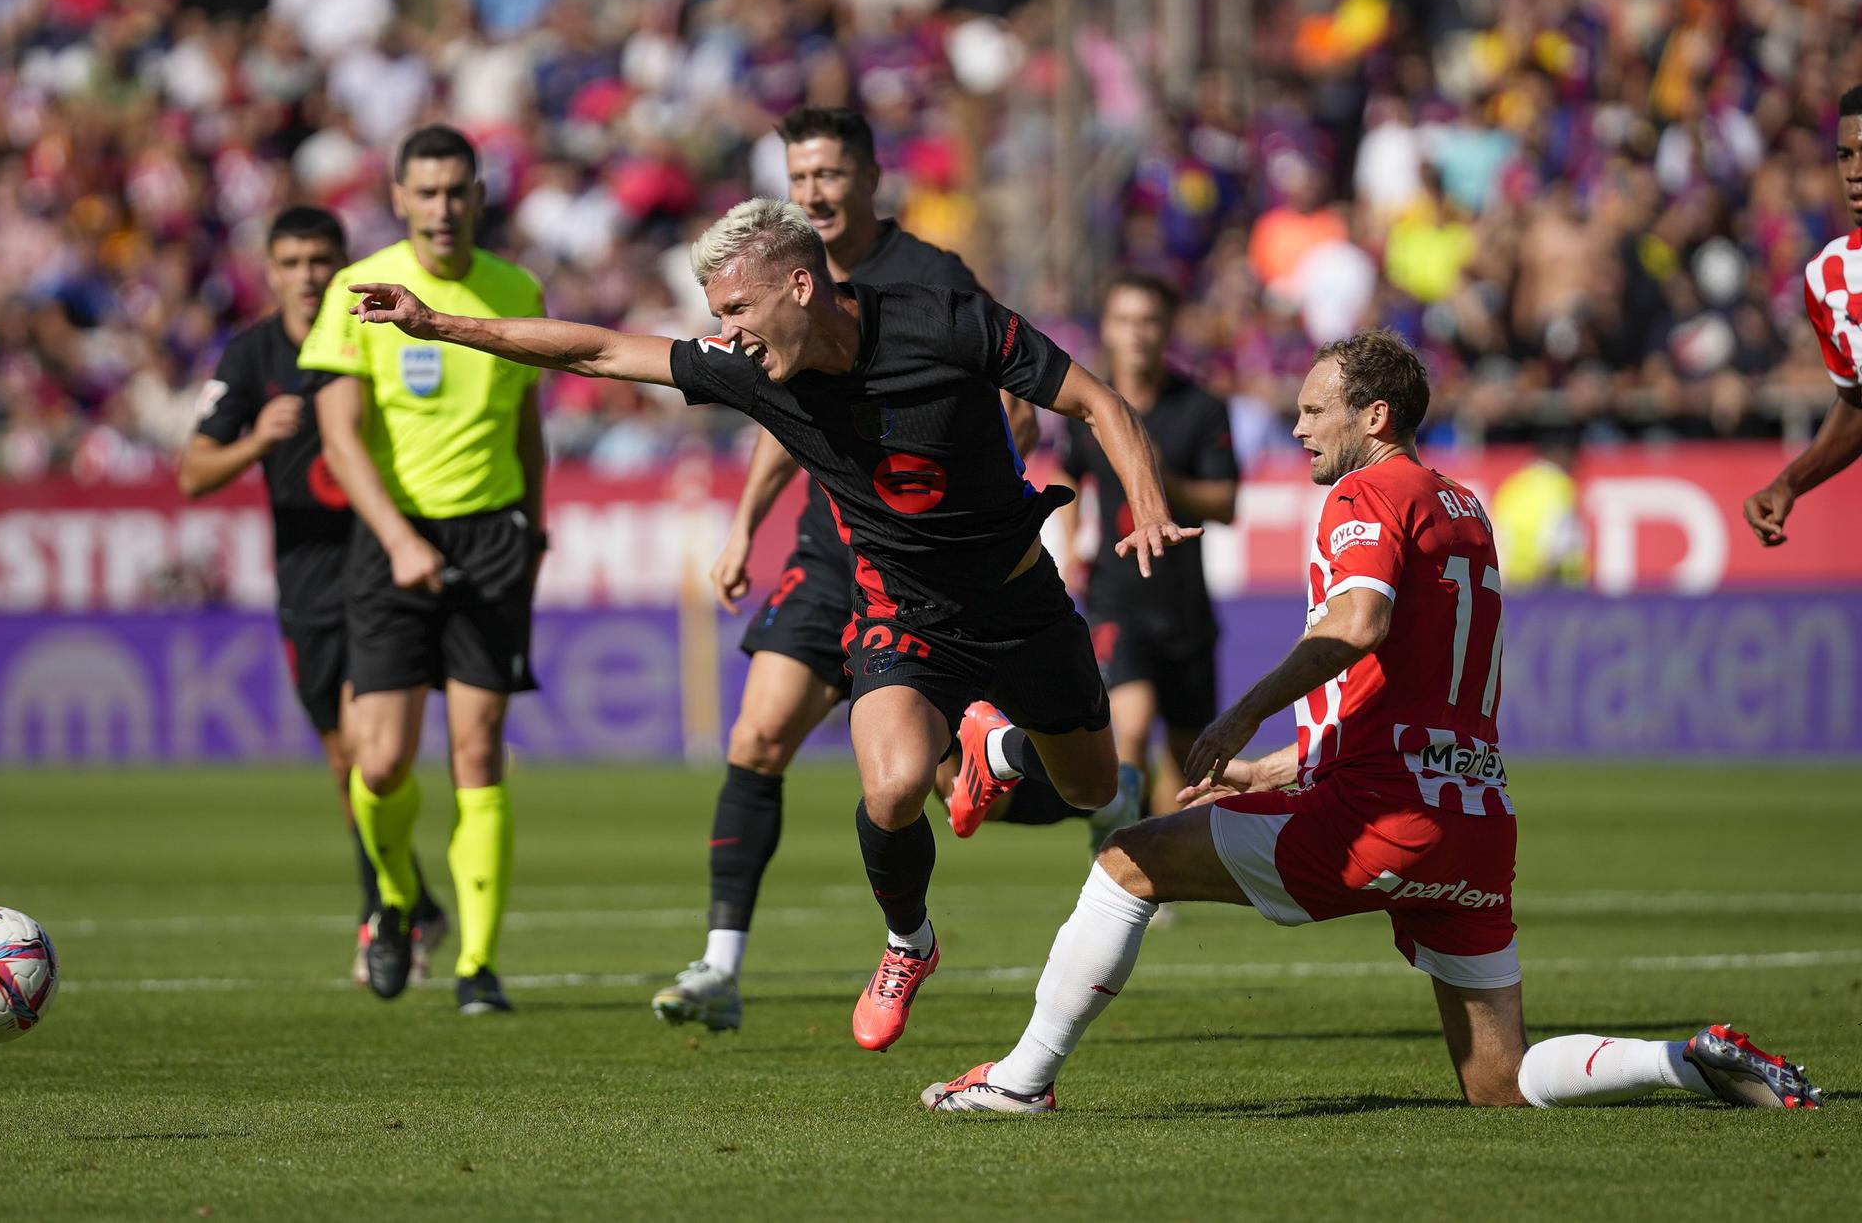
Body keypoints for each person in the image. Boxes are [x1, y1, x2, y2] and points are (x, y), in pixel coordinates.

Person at [344, 197, 1197, 1053]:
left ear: (799, 285)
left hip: (1021, 604)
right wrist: (438, 324)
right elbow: (597, 349)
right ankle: (909, 945)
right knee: (895, 784)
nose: (730, 332)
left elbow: (1095, 401)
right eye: (720, 317)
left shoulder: (945, 321)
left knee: (1094, 791)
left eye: (738, 310)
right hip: (904, 613)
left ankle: (998, 751)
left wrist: (1148, 503)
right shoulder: (748, 369)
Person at [921, 331, 1821, 1114]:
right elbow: (1403, 692)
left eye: (1316, 411)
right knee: (1498, 1081)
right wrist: (1270, 768)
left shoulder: (1366, 496)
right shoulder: (1464, 506)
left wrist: (1239, 714)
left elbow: (1358, 627)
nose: (1300, 427)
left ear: (1376, 416)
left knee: (1127, 861)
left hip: (1382, 815)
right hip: (1474, 823)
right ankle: (1683, 1060)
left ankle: (1021, 1080)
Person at [653, 105, 1082, 1035]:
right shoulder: (770, 292)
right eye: (800, 176)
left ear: (869, 177)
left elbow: (1018, 404)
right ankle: (722, 963)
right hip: (828, 547)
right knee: (761, 733)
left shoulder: (929, 282)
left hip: (929, 559)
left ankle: (1030, 759)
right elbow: (781, 411)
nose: (815, 190)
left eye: (830, 174)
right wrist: (743, 526)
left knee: (925, 781)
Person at [298, 125, 547, 1016]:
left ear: (478, 196)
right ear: (399, 199)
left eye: (458, 190)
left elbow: (527, 425)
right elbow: (338, 437)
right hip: (391, 540)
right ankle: (395, 903)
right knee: (381, 760)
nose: (443, 207)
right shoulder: (356, 290)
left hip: (491, 540)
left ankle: (480, 965)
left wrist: (537, 526)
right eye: (427, 192)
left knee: (478, 752)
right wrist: (400, 540)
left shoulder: (516, 287)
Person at [177, 205, 446, 986]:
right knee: (344, 767)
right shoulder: (250, 353)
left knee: (374, 752)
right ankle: (412, 898)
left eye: (321, 260)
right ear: (269, 270)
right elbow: (193, 473)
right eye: (291, 262)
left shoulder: (382, 327)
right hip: (305, 584)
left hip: (378, 568)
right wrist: (258, 439)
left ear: (344, 265)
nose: (307, 276)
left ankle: (384, 923)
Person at [1055, 273, 1237, 816]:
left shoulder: (1201, 408)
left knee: (1187, 755)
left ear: (1167, 330)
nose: (1136, 333)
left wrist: (1157, 474)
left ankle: (1153, 855)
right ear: (1107, 329)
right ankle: (1121, 852)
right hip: (1116, 597)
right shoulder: (1090, 407)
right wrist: (1071, 553)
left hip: (1184, 605)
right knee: (1130, 726)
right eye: (1124, 320)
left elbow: (1226, 503)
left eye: (1149, 321)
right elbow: (1068, 481)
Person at [1743, 84, 1862, 547]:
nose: (1855, 172)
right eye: (1844, 155)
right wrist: (1789, 483)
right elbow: (1857, 405)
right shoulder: (1831, 276)